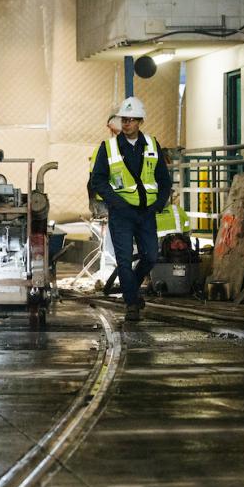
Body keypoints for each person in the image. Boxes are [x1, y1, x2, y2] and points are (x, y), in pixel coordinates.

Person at [89, 97, 172, 321]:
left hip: (146, 213)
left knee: (151, 256)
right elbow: (98, 180)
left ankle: (131, 289)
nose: (127, 124)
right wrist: (116, 203)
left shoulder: (153, 145)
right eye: (124, 120)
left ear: (140, 121)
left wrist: (158, 203)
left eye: (132, 120)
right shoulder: (108, 148)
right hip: (122, 214)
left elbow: (164, 180)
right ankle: (131, 304)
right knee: (124, 260)